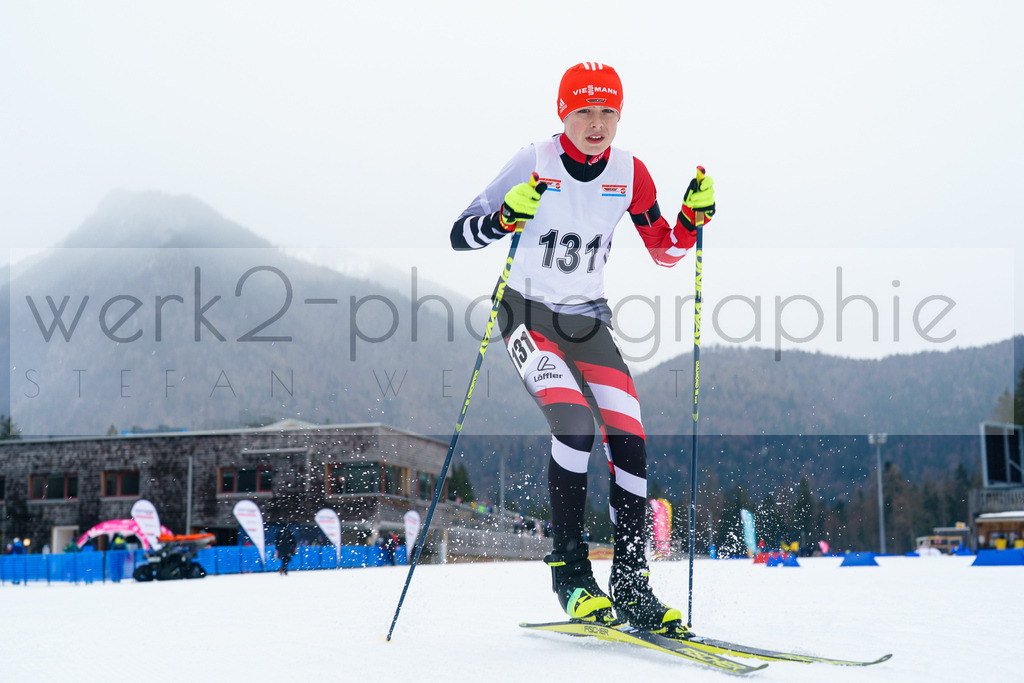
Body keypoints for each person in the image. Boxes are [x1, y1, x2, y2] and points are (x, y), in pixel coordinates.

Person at [450, 62, 715, 635]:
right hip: (527, 314)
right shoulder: (534, 160)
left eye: (608, 112)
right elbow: (461, 231)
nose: (596, 124)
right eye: (584, 111)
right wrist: (503, 217)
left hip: (588, 322)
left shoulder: (631, 173)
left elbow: (666, 250)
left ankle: (630, 581)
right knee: (574, 426)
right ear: (562, 113)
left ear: (619, 116)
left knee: (630, 435)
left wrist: (692, 219)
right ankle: (570, 573)